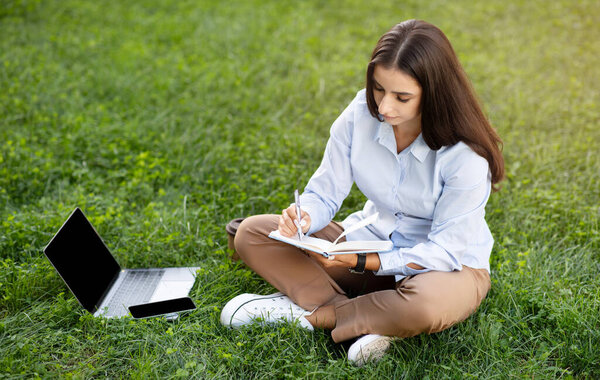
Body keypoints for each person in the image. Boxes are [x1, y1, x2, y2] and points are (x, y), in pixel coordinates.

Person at [220, 19, 504, 366]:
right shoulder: (360, 114)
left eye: (402, 97)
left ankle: (312, 316)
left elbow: (444, 250)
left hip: (445, 268)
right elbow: (324, 192)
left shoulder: (465, 156)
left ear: (435, 94)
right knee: (252, 233)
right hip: (370, 239)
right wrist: (305, 216)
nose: (384, 107)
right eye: (378, 89)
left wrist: (361, 262)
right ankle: (373, 319)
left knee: (424, 305)